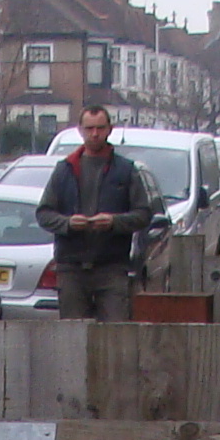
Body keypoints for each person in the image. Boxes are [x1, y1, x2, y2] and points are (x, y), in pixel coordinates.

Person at [33, 106, 154, 323]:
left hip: (112, 267)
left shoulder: (126, 170)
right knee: (73, 334)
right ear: (80, 130)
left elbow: (143, 214)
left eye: (100, 128)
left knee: (115, 334)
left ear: (110, 129)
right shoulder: (65, 169)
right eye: (89, 128)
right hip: (71, 268)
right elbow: (44, 214)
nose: (95, 134)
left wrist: (114, 222)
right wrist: (67, 223)